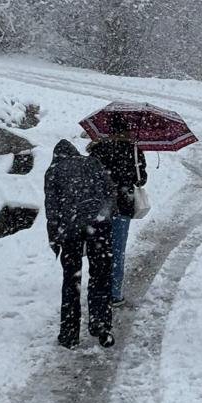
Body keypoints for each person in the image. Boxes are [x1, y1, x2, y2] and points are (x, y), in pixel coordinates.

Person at [43, 139, 117, 348]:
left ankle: (69, 334)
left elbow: (52, 210)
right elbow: (110, 193)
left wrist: (55, 239)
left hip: (70, 230)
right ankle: (100, 322)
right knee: (101, 275)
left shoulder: (54, 170)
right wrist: (105, 216)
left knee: (71, 280)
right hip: (99, 226)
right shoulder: (92, 163)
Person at [89, 116, 148, 307]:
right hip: (123, 205)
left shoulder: (98, 149)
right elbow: (141, 180)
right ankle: (115, 294)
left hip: (100, 207)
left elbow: (90, 177)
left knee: (100, 251)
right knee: (117, 251)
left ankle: (98, 292)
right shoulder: (134, 150)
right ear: (127, 130)